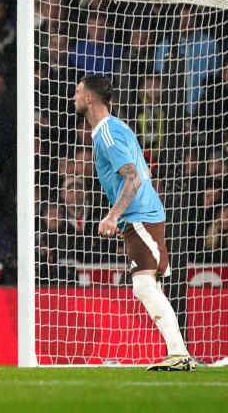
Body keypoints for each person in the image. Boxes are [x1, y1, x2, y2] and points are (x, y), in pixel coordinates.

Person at [74, 75, 195, 371]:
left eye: (78, 91)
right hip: (143, 214)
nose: (73, 97)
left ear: (90, 98)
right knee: (147, 285)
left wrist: (113, 215)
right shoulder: (115, 127)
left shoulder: (107, 133)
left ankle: (180, 354)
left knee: (143, 286)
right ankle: (179, 353)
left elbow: (134, 177)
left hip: (139, 215)